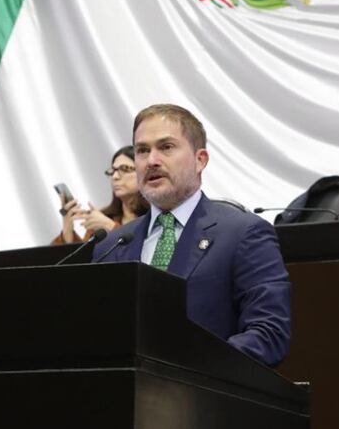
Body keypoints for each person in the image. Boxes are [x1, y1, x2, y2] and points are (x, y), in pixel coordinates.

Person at [92, 104, 292, 367]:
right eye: (142, 150)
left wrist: (196, 369)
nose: (151, 160)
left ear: (201, 160)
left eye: (166, 147)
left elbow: (269, 332)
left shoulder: (243, 233)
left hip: (207, 399)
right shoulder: (111, 245)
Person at [53, 145, 148, 245]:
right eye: (113, 171)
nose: (115, 177)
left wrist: (111, 227)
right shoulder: (104, 217)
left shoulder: (155, 216)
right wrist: (68, 227)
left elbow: (147, 253)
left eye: (124, 169)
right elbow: (85, 258)